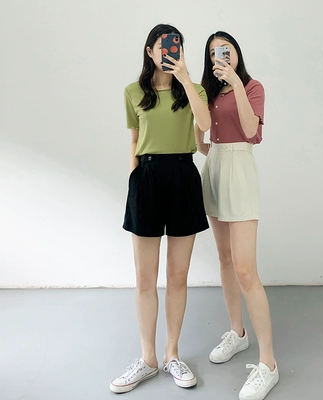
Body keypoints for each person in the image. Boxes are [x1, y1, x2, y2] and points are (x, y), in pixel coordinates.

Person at [110, 24, 211, 394]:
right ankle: (148, 358)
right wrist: (134, 181)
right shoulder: (133, 92)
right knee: (144, 277)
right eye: (163, 45)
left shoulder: (194, 90)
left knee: (178, 276)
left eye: (176, 45)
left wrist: (184, 78)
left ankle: (172, 354)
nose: (170, 50)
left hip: (183, 175)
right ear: (150, 51)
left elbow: (205, 124)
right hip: (147, 178)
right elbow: (134, 141)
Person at [195, 31, 279, 400]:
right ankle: (237, 332)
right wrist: (207, 146)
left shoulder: (253, 87)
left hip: (240, 170)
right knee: (225, 259)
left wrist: (236, 85)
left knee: (246, 269)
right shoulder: (208, 92)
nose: (220, 56)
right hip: (214, 168)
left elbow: (248, 130)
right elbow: (201, 139)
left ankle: (268, 364)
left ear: (236, 53)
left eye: (225, 50)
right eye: (214, 52)